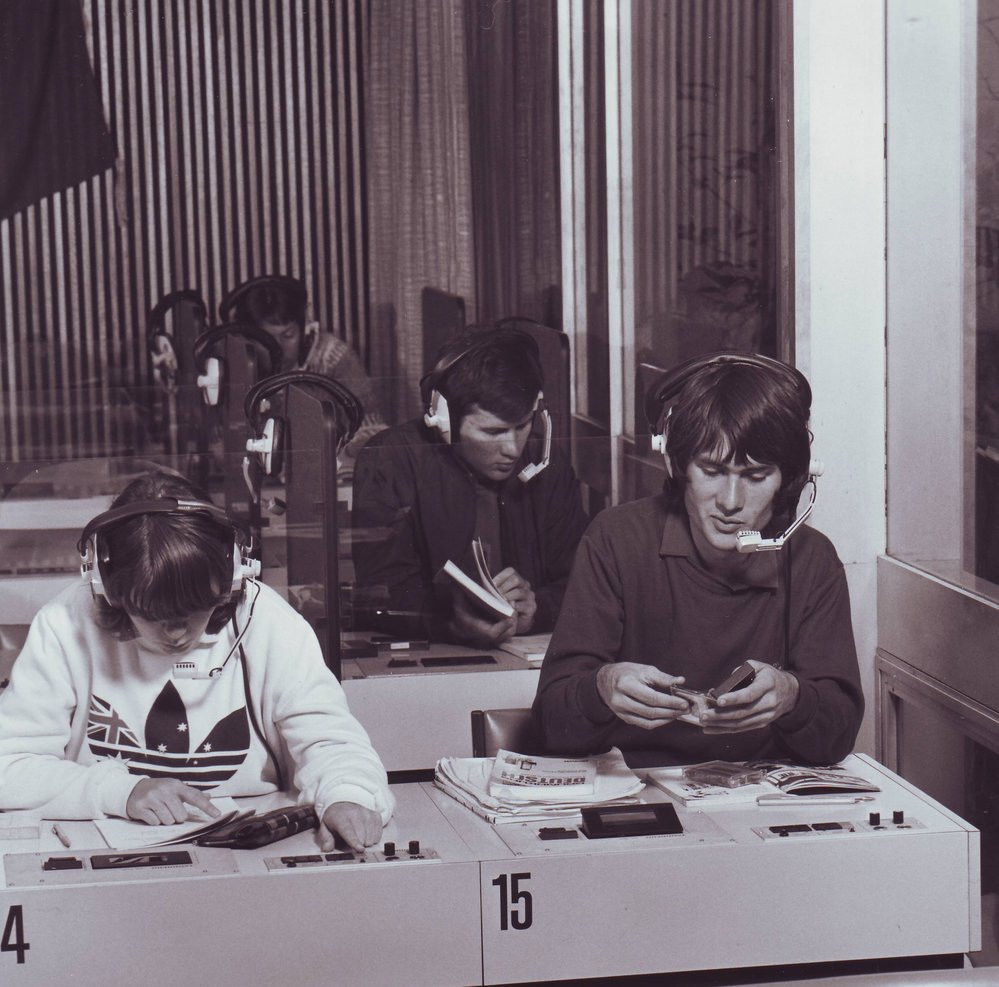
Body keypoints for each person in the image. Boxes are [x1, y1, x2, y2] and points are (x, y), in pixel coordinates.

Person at [0, 469, 393, 852]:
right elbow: (9, 765)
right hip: (101, 843)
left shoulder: (269, 621)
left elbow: (329, 738)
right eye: (153, 615)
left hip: (251, 841)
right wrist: (121, 791)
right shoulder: (65, 623)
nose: (176, 633)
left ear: (231, 577)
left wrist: (348, 795)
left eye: (194, 609)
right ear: (107, 587)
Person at [532, 352, 864, 768]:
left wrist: (793, 697)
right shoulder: (616, 540)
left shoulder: (813, 560)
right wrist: (599, 688)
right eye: (711, 470)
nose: (730, 502)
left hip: (758, 792)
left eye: (756, 476)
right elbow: (551, 723)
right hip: (630, 786)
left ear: (790, 481)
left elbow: (837, 739)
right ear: (677, 464)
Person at [351, 326, 589, 647]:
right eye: (492, 432)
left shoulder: (546, 462)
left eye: (522, 426)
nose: (513, 448)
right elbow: (378, 593)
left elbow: (583, 581)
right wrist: (448, 620)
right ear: (444, 421)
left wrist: (538, 610)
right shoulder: (390, 461)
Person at [219, 275, 387, 468]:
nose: (278, 348)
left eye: (288, 335)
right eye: (266, 339)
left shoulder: (334, 357)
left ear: (304, 328)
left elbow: (372, 427)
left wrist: (347, 452)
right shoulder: (235, 364)